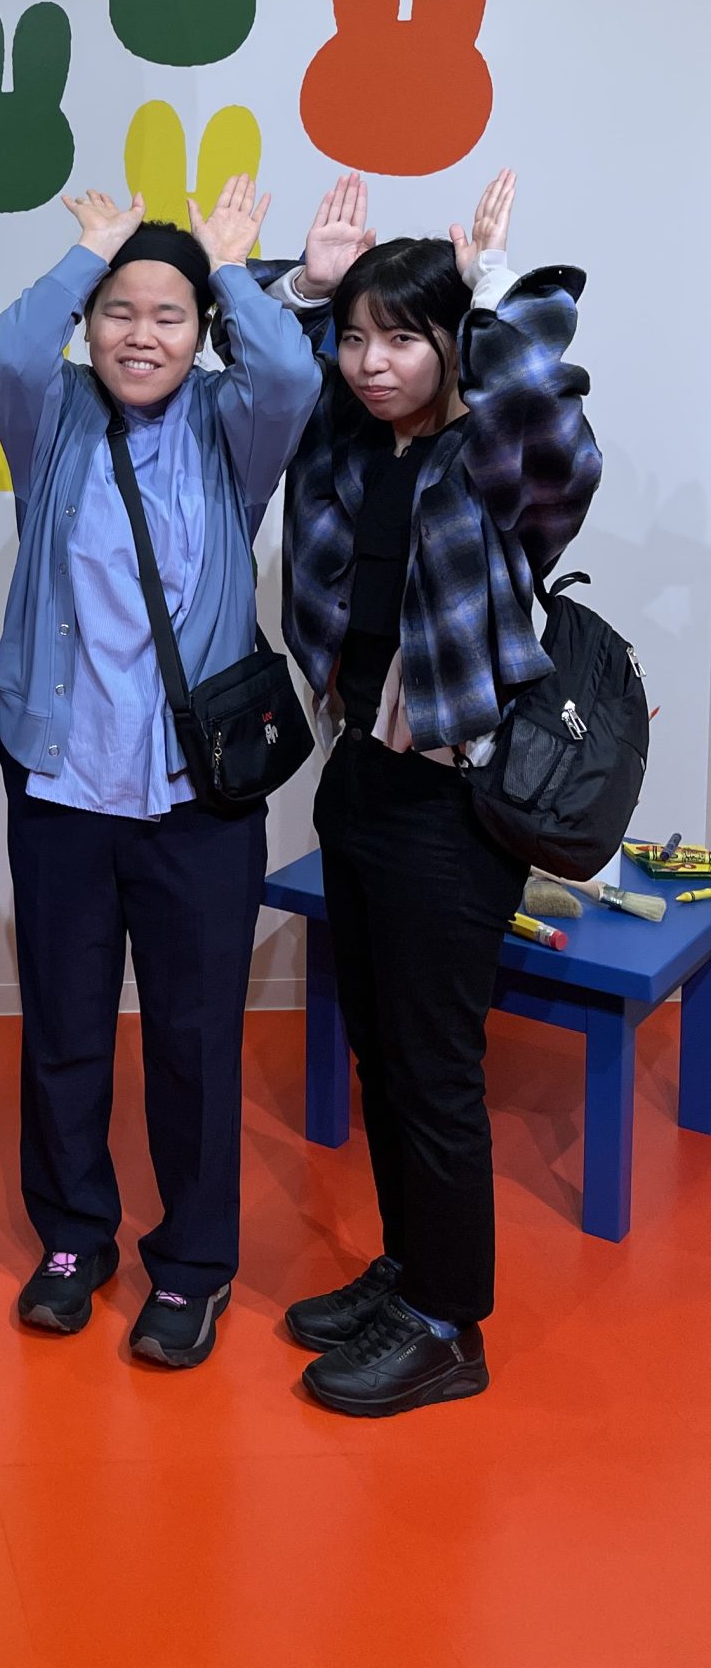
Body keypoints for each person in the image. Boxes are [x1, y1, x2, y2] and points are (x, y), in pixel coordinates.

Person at [273, 170, 600, 1416]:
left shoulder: (495, 458)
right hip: (360, 771)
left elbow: (561, 442)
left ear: (454, 343)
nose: (371, 362)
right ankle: (410, 1272)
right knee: (382, 1050)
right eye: (357, 338)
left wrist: (496, 290)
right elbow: (267, 375)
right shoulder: (351, 443)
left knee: (435, 1066)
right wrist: (310, 288)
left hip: (452, 803)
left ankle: (449, 1326)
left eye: (402, 337)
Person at [0, 175, 321, 1367]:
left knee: (193, 1035)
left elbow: (293, 378)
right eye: (119, 311)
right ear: (91, 323)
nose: (141, 335)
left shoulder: (234, 429)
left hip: (197, 793)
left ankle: (192, 1264)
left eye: (168, 315)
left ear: (201, 330)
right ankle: (74, 1239)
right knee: (66, 1027)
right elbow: (7, 353)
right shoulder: (54, 419)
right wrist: (91, 252)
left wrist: (225, 266)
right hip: (63, 781)